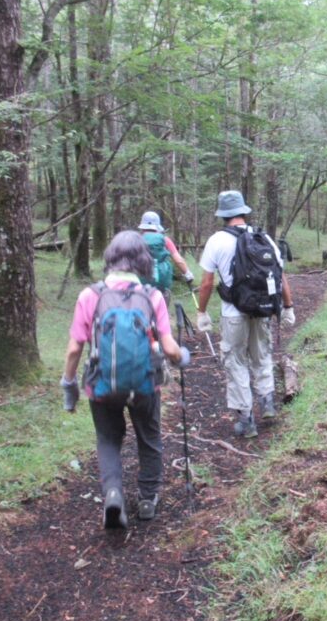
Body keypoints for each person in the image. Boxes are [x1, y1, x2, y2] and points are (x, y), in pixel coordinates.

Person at [60, 230, 190, 526]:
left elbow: (74, 348)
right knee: (149, 437)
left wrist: (69, 384)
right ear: (143, 261)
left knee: (108, 439)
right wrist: (182, 357)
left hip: (102, 384)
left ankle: (113, 494)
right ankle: (147, 499)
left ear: (110, 258)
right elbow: (170, 348)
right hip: (145, 383)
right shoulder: (152, 296)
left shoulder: (90, 295)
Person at [196, 190, 295, 438]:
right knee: (261, 354)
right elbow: (280, 276)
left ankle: (246, 419)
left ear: (223, 215)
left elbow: (207, 283)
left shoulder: (216, 241)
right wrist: (288, 306)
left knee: (236, 361)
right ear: (243, 212)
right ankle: (267, 403)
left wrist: (202, 311)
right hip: (262, 310)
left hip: (233, 312)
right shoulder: (264, 237)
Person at [137, 210, 194, 301]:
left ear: (142, 226)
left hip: (141, 284)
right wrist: (187, 274)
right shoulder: (165, 240)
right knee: (162, 305)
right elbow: (178, 260)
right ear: (157, 226)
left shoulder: (136, 240)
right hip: (162, 283)